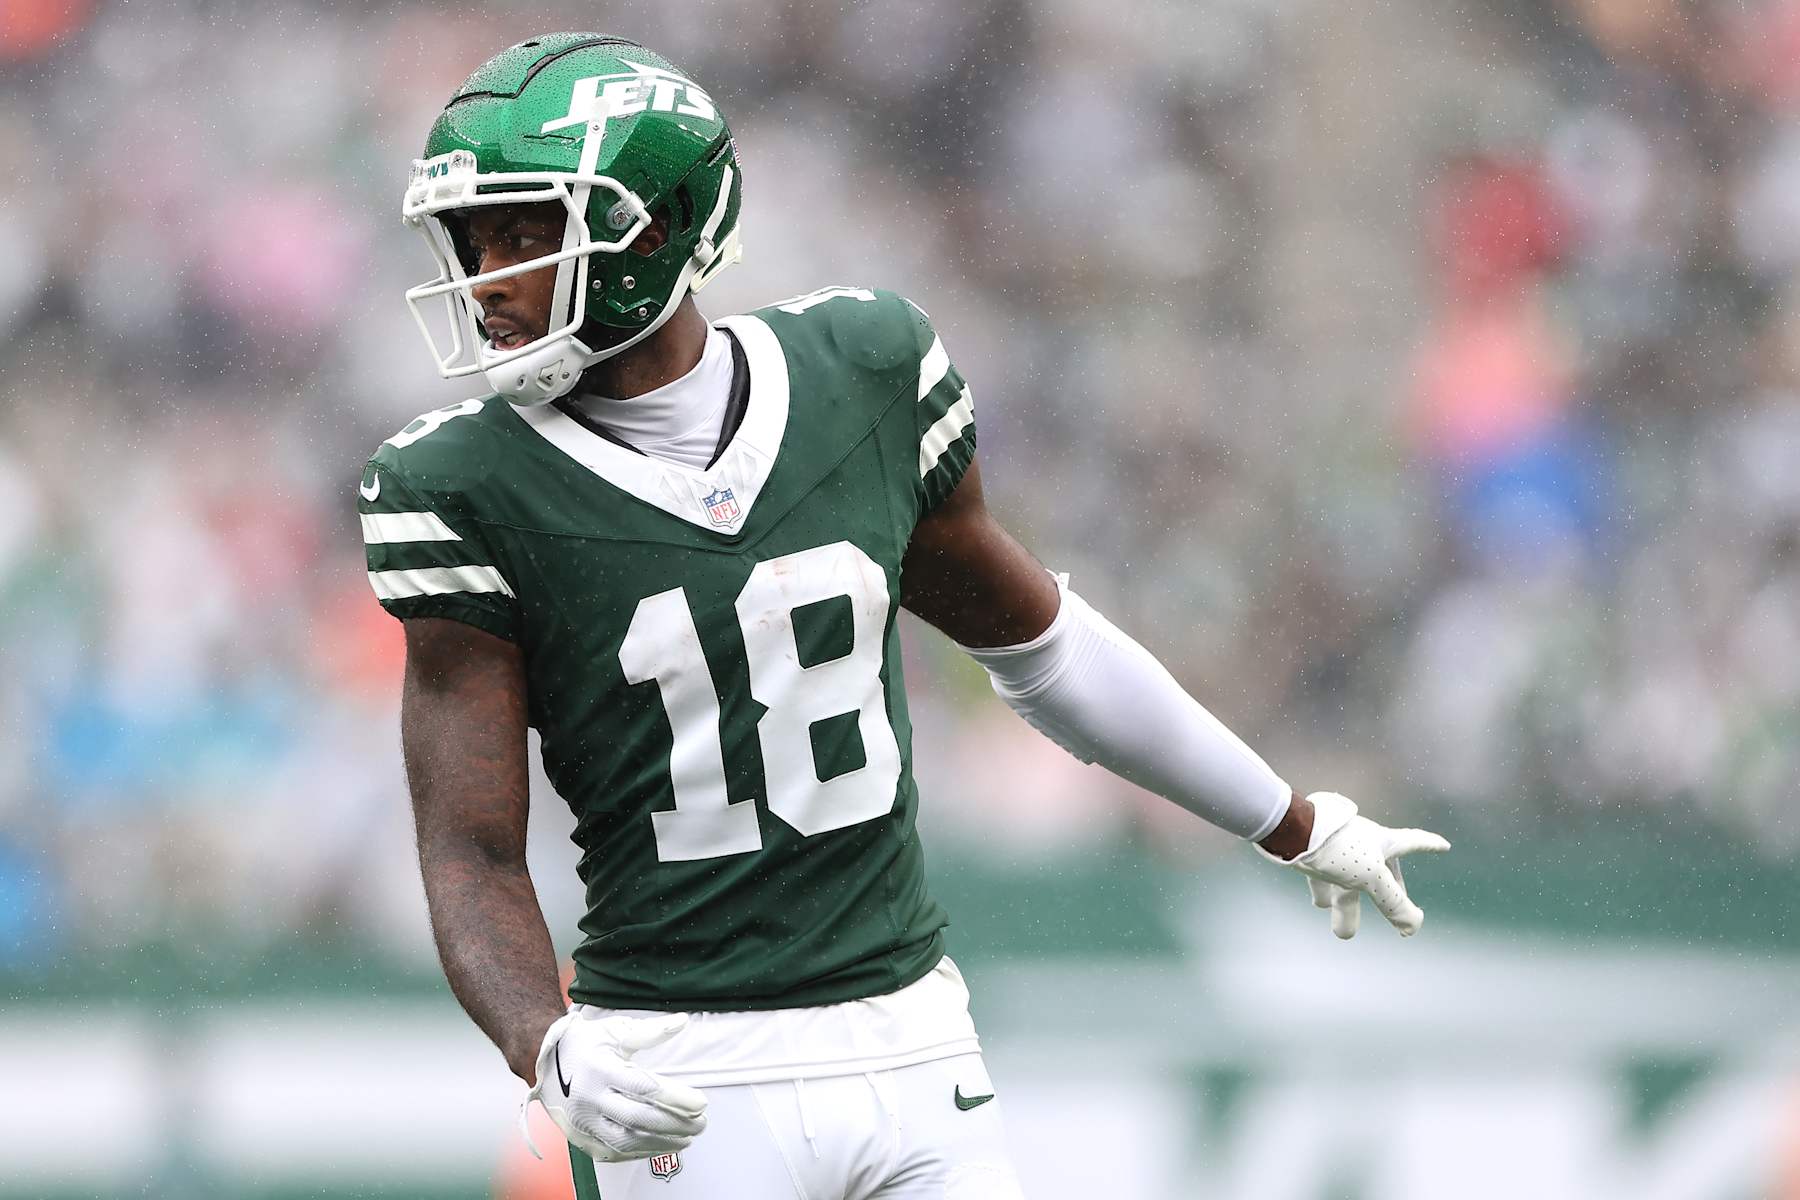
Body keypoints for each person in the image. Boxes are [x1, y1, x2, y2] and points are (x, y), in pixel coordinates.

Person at [360, 34, 1450, 1200]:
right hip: (679, 1068)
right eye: (476, 242)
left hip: (912, 1037)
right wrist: (544, 1041)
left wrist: (1290, 819)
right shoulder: (461, 486)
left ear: (656, 228)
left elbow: (1046, 650)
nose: (489, 280)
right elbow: (469, 847)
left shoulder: (863, 373)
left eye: (525, 234)